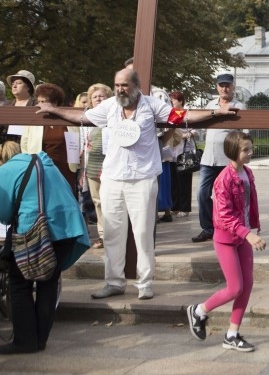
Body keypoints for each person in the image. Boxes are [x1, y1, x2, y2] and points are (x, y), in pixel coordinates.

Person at [36, 68, 232, 301]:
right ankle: (114, 282)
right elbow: (82, 117)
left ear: (136, 86)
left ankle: (145, 283)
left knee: (142, 232)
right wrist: (52, 109)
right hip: (112, 178)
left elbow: (183, 116)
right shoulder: (109, 106)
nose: (120, 89)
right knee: (111, 233)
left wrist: (216, 112)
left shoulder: (151, 105)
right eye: (117, 85)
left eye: (124, 85)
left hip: (142, 178)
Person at [0, 145, 90, 354]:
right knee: (48, 281)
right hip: (67, 228)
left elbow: (4, 214)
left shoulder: (5, 172)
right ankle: (39, 340)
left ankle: (25, 341)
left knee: (20, 283)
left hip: (35, 231)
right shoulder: (46, 162)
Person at [187, 131, 265, 353]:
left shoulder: (247, 173)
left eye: (251, 148)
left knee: (247, 286)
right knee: (235, 287)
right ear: (232, 151)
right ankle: (199, 311)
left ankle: (232, 334)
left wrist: (254, 226)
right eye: (245, 150)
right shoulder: (224, 179)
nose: (250, 153)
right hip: (227, 239)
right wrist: (247, 233)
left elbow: (250, 204)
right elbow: (223, 215)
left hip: (243, 237)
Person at [193, 73, 247, 243]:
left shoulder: (239, 106)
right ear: (217, 87)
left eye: (228, 85)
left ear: (233, 86)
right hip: (209, 159)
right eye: (221, 85)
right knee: (202, 193)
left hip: (227, 161)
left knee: (228, 196)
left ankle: (230, 228)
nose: (224, 88)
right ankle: (208, 228)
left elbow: (245, 133)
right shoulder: (210, 105)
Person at [20, 83, 80, 197]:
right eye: (39, 101)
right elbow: (25, 144)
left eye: (44, 102)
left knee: (65, 198)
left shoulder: (68, 120)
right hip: (40, 169)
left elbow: (78, 143)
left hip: (65, 169)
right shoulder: (33, 121)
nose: (40, 105)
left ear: (55, 103)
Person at [83, 83, 112, 248]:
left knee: (113, 201)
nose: (98, 99)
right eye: (95, 97)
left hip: (111, 166)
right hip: (93, 166)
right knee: (98, 202)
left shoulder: (115, 115)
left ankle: (116, 234)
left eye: (102, 96)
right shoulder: (87, 117)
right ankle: (103, 235)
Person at [166, 91, 195, 217]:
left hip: (184, 152)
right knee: (173, 182)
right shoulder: (168, 114)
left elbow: (195, 131)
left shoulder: (187, 113)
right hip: (171, 152)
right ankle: (175, 206)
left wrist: (183, 136)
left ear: (181, 101)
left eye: (174, 100)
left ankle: (185, 208)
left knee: (184, 182)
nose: (172, 102)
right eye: (170, 100)